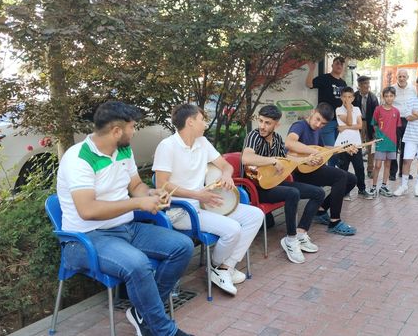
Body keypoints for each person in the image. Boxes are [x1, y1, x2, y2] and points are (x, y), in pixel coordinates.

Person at [56, 101, 194, 336]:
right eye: (132, 127)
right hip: (85, 239)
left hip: (125, 229)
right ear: (116, 131)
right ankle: (162, 330)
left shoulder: (123, 150)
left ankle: (144, 312)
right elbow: (87, 210)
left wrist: (153, 194)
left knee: (182, 246)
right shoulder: (79, 158)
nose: (134, 131)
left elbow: (136, 186)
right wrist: (138, 203)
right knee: (137, 264)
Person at [153, 104, 264, 295]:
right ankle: (216, 267)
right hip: (182, 210)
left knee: (255, 215)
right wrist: (197, 195)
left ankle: (224, 268)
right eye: (202, 119)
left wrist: (227, 175)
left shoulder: (202, 142)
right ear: (190, 122)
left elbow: (225, 165)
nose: (205, 123)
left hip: (205, 202)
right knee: (233, 229)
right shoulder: (167, 146)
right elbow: (161, 185)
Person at [241, 105, 325, 264]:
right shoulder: (254, 136)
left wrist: (306, 160)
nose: (262, 126)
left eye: (267, 123)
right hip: (256, 188)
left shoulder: (278, 139)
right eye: (260, 121)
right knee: (292, 193)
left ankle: (300, 233)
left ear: (276, 125)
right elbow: (246, 158)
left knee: (318, 193)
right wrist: (272, 161)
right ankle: (290, 240)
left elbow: (286, 162)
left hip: (274, 183)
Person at [286, 102, 358, 235]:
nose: (319, 125)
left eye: (323, 123)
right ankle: (334, 222)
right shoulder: (299, 126)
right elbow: (290, 143)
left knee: (352, 179)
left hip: (313, 169)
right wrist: (311, 152)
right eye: (317, 119)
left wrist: (344, 148)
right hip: (299, 172)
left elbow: (323, 150)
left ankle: (320, 210)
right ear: (313, 112)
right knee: (340, 176)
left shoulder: (316, 130)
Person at [306, 56, 347, 164]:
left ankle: (333, 172)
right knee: (329, 150)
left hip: (339, 121)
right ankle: (329, 171)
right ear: (332, 65)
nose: (339, 66)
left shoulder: (343, 83)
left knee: (337, 149)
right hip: (326, 121)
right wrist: (311, 70)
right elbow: (309, 84)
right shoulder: (324, 78)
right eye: (337, 63)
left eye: (341, 64)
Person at [335, 87, 374, 199]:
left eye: (349, 97)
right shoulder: (338, 109)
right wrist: (347, 108)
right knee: (344, 168)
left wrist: (345, 127)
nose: (347, 99)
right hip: (343, 144)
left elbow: (360, 125)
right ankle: (345, 191)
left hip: (356, 143)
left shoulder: (356, 109)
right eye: (344, 97)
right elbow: (349, 120)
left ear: (353, 98)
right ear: (341, 97)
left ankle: (362, 189)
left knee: (359, 168)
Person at [369, 86, 401, 197]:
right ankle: (373, 187)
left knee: (388, 165)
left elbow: (397, 127)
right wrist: (378, 136)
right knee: (377, 165)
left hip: (392, 143)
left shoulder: (396, 112)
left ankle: (383, 186)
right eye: (386, 96)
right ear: (383, 97)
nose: (389, 98)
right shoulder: (378, 109)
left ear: (394, 97)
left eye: (391, 96)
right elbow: (374, 124)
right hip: (380, 141)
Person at [389, 69, 417, 180]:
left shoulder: (413, 89)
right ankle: (392, 173)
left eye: (403, 76)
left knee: (406, 147)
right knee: (394, 147)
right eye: (399, 76)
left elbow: (416, 103)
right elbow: (386, 103)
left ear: (407, 77)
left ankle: (403, 172)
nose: (401, 78)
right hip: (395, 120)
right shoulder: (392, 89)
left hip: (408, 120)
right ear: (397, 77)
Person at [353, 75, 379, 177]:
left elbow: (376, 114)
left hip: (369, 123)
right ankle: (358, 168)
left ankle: (370, 169)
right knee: (356, 146)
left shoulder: (373, 97)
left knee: (370, 147)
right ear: (359, 85)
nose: (367, 86)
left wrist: (375, 128)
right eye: (365, 83)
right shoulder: (354, 96)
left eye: (368, 83)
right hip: (358, 123)